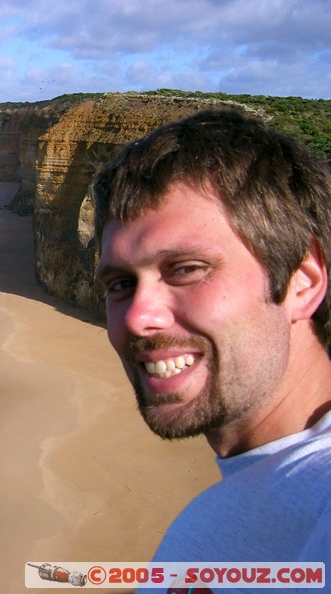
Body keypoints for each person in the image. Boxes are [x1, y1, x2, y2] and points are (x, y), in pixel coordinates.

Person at [92, 109, 331, 591]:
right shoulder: (252, 502)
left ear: (303, 282)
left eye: (186, 269)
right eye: (120, 284)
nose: (139, 316)